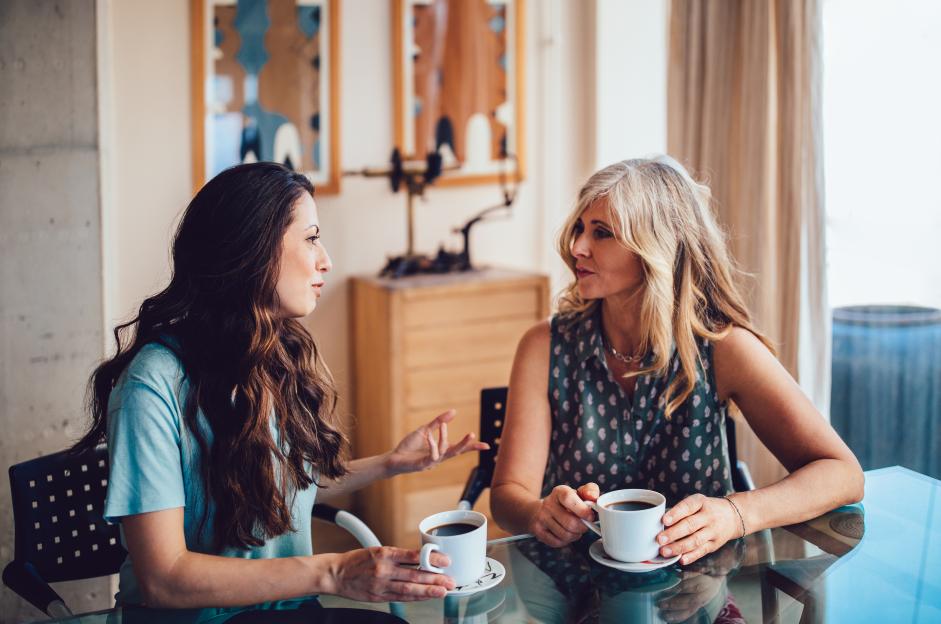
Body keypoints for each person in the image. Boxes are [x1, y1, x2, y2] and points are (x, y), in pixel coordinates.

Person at [72, 162, 487, 609]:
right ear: (253, 250)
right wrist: (333, 571)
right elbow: (164, 578)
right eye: (310, 238)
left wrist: (390, 463)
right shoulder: (151, 385)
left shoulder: (271, 354)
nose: (326, 258)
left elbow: (276, 487)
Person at [490, 156, 864, 566]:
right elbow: (508, 495)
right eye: (580, 228)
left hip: (699, 591)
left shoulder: (724, 348)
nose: (577, 247)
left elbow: (843, 473)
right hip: (570, 587)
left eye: (602, 233)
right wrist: (538, 512)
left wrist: (737, 513)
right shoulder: (544, 345)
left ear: (656, 247)